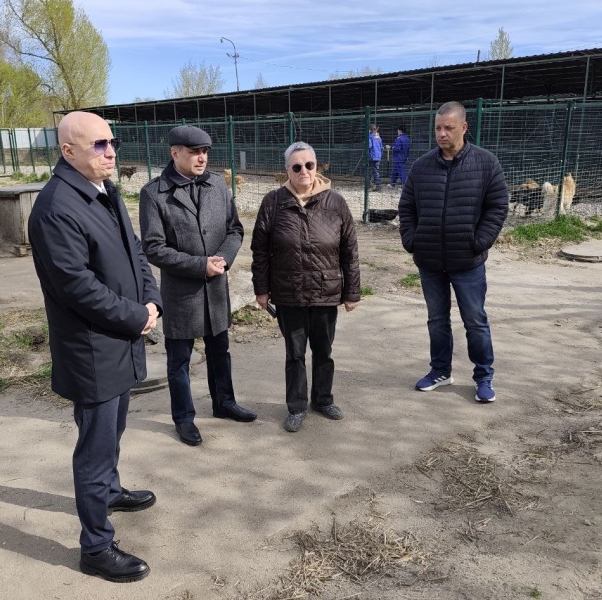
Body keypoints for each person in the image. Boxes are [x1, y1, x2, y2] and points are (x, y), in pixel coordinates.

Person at [28, 111, 162, 583]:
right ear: (68, 151)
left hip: (119, 340)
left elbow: (135, 251)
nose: (111, 152)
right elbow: (76, 286)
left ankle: (108, 491)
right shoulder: (56, 207)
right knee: (95, 448)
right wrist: (136, 316)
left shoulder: (103, 190)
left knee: (113, 432)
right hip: (92, 350)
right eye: (99, 145)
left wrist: (152, 299)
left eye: (113, 142)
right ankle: (96, 548)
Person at [139, 125, 255, 447]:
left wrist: (224, 259)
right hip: (181, 294)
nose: (202, 158)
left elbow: (235, 229)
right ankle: (184, 418)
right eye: (194, 152)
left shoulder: (217, 185)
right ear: (175, 153)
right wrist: (198, 265)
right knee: (179, 360)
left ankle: (224, 403)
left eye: (205, 152)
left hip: (216, 289)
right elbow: (154, 248)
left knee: (220, 351)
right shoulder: (154, 194)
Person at [397, 102, 508, 403]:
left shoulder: (486, 163)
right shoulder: (422, 167)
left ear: (464, 128)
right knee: (437, 320)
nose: (442, 133)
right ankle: (440, 371)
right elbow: (406, 207)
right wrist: (412, 240)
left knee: (475, 321)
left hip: (467, 261)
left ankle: (483, 377)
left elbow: (498, 206)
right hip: (430, 260)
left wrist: (480, 241)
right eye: (438, 128)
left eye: (448, 127)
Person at [251, 141, 361, 433]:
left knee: (324, 351)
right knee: (295, 353)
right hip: (289, 293)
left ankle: (323, 400)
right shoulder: (273, 202)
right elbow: (260, 250)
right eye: (297, 166)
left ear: (317, 167)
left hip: (326, 291)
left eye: (309, 165)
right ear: (287, 170)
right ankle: (297, 406)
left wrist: (352, 292)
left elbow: (350, 250)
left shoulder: (335, 202)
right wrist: (261, 289)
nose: (304, 171)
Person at [368, 124, 383, 191]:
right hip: (378, 156)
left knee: (369, 171)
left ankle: (369, 185)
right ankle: (378, 185)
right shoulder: (378, 137)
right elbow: (381, 147)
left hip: (372, 156)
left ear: (370, 130)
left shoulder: (370, 137)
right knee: (376, 171)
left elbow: (369, 146)